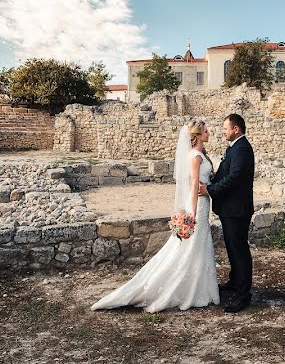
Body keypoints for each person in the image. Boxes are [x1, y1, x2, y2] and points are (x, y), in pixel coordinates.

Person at [91, 119, 220, 313]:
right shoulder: (195, 156)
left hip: (203, 202)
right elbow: (193, 184)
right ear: (198, 135)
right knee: (191, 246)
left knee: (199, 246)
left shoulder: (202, 154)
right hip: (198, 205)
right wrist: (191, 213)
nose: (209, 134)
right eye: (207, 132)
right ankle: (185, 289)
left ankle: (201, 287)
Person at [198, 113, 255, 313]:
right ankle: (234, 281)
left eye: (225, 128)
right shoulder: (235, 147)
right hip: (230, 208)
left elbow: (236, 177)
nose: (223, 132)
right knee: (232, 247)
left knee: (239, 250)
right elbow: (227, 173)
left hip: (236, 209)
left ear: (236, 129)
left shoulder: (242, 149)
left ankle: (243, 295)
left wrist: (209, 190)